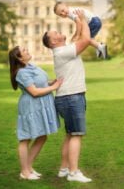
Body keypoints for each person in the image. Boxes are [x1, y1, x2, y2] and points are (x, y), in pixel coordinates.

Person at [42, 10, 92, 183]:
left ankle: (64, 169)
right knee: (76, 134)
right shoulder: (62, 52)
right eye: (55, 33)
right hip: (71, 98)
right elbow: (85, 40)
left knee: (70, 134)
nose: (58, 31)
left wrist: (78, 21)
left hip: (68, 97)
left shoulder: (63, 50)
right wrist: (84, 20)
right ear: (53, 41)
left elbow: (77, 37)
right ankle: (73, 172)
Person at [9, 46, 63, 180]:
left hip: (41, 105)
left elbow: (40, 83)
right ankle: (24, 172)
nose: (27, 50)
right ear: (19, 58)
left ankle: (28, 167)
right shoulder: (21, 73)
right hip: (31, 107)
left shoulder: (31, 66)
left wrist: (52, 82)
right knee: (25, 139)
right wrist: (53, 87)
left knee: (42, 136)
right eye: (24, 51)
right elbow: (34, 91)